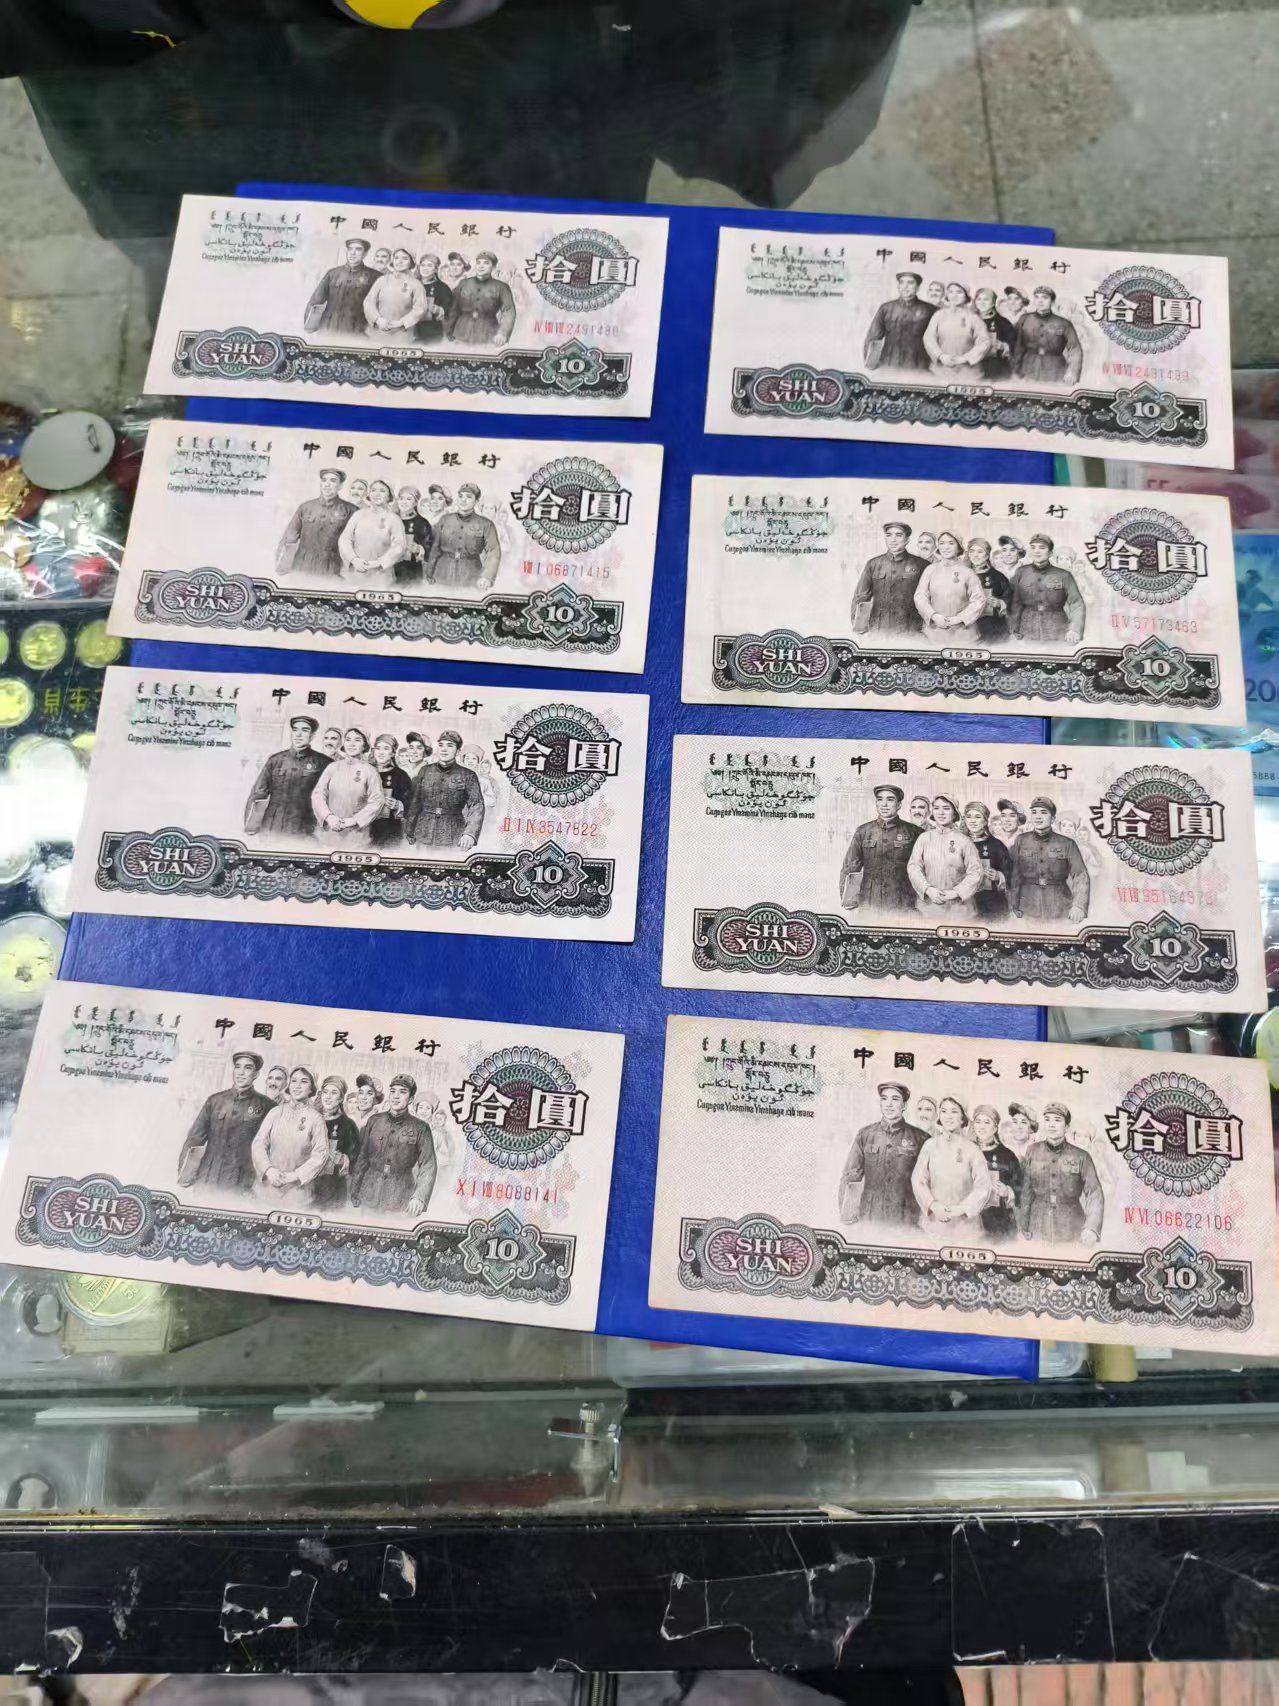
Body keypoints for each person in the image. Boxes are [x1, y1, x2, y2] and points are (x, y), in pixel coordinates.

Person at [177, 1049, 274, 1194]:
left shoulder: (267, 1106)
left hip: (241, 1184)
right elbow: (194, 1140)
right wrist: (184, 1175)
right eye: (238, 1067)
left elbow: (270, 1149)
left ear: (256, 1075)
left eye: (248, 1068)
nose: (241, 1073)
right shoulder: (215, 1100)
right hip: (207, 1179)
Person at [838, 1081, 930, 1229]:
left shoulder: (921, 1138)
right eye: (884, 1099)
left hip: (906, 1220)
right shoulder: (865, 1134)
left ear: (904, 1105)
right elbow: (850, 1177)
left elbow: (930, 1183)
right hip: (869, 1217)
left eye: (895, 1099)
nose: (889, 1104)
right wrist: (847, 1217)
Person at [350, 1073, 437, 1216]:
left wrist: (419, 1197)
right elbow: (362, 1158)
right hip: (369, 1194)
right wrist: (354, 1189)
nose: (396, 1096)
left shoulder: (421, 1128)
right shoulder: (374, 1121)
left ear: (411, 1099)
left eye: (402, 1092)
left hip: (400, 1197)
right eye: (393, 1091)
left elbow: (428, 1165)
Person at [1019, 1102, 1103, 1245]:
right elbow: (1026, 1191)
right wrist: (1023, 1223)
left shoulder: (1081, 1156)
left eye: (1057, 1120)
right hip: (1038, 1224)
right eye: (1047, 1120)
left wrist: (1091, 1228)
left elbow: (1095, 1193)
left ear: (1067, 1127)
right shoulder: (1032, 1151)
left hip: (1071, 1226)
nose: (1051, 1125)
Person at [911, 1096, 991, 1241]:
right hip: (933, 1224)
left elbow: (983, 1186)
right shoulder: (930, 1145)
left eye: (954, 1111)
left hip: (965, 1227)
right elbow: (918, 1180)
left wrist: (960, 1209)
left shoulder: (973, 1149)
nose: (948, 1116)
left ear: (962, 1118)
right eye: (944, 1111)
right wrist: (933, 1205)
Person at [251, 1066, 330, 1208]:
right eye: (294, 1081)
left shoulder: (316, 1118)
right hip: (268, 1188)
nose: (297, 1086)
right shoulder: (275, 1112)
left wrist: (295, 1175)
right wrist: (269, 1170)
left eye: (304, 1082)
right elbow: (259, 1144)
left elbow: (321, 1154)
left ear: (311, 1088)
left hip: (298, 1192)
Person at [838, 783, 922, 917]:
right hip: (869, 903)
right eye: (880, 799)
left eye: (890, 799)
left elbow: (924, 870)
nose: (884, 804)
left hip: (903, 904)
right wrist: (849, 900)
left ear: (899, 805)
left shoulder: (914, 832)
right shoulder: (863, 831)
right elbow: (849, 868)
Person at [243, 714, 331, 839]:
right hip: (272, 827)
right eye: (295, 730)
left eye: (304, 730)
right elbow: (257, 794)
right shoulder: (275, 760)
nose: (298, 734)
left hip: (305, 830)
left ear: (312, 736)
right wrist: (250, 826)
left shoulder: (324, 763)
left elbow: (331, 800)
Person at [1008, 797, 1090, 923]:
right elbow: (1014, 876)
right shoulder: (1021, 840)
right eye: (1034, 812)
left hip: (1059, 905)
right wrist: (1012, 906)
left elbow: (1080, 875)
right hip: (1027, 905)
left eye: (1043, 812)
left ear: (1052, 819)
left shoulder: (1067, 843)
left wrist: (1079, 905)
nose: (1038, 817)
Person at [907, 794, 984, 921]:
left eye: (946, 808)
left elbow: (976, 872)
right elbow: (913, 867)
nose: (941, 812)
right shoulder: (924, 838)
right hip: (927, 909)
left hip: (960, 911)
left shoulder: (964, 841)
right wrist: (928, 889)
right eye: (936, 808)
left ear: (954, 814)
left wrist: (955, 893)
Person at [405, 730, 485, 848]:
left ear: (458, 751)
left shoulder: (468, 775)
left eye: (450, 745)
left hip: (453, 833)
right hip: (423, 832)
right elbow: (415, 802)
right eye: (441, 745)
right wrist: (409, 829)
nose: (444, 749)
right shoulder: (425, 771)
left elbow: (477, 805)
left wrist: (470, 834)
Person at [848, 520, 929, 637]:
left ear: (907, 540)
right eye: (889, 535)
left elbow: (931, 599)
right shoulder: (873, 564)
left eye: (899, 535)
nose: (893, 539)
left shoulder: (922, 565)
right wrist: (859, 629)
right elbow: (860, 598)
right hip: (878, 630)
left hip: (911, 631)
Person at [311, 726, 384, 848]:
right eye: (348, 739)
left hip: (356, 836)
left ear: (365, 745)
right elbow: (318, 794)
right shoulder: (332, 767)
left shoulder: (370, 771)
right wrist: (328, 817)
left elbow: (377, 801)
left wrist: (354, 820)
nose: (352, 744)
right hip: (330, 832)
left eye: (357, 740)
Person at [276, 467, 355, 580]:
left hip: (332, 570)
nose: (327, 484)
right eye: (324, 480)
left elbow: (356, 545)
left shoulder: (351, 510)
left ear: (340, 486)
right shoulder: (305, 507)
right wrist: (282, 568)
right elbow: (289, 539)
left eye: (333, 481)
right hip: (302, 567)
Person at [1008, 533, 1085, 644]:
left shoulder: (1064, 575)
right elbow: (1015, 603)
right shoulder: (1021, 572)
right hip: (1027, 632)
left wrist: (1074, 630)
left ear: (1050, 553)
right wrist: (1013, 630)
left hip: (1057, 631)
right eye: (1033, 547)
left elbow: (1076, 603)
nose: (1037, 551)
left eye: (1042, 548)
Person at [913, 530, 986, 643]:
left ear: (958, 548)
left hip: (963, 634)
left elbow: (979, 600)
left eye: (951, 543)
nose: (945, 547)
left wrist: (959, 619)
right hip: (933, 633)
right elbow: (920, 596)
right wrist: (934, 616)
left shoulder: (968, 572)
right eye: (942, 543)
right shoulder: (930, 570)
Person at [426, 482, 500, 589]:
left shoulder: (486, 524)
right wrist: (429, 572)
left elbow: (493, 551)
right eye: (461, 496)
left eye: (469, 497)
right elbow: (435, 548)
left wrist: (487, 577)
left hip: (471, 574)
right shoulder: (445, 520)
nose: (463, 500)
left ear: (476, 501)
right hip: (442, 572)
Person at [304, 236, 380, 337]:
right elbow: (315, 301)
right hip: (328, 328)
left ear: (365, 253)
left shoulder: (375, 276)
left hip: (357, 331)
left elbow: (380, 307)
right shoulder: (332, 273)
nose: (353, 253)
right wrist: (309, 326)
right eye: (350, 249)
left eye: (358, 249)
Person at [862, 270, 935, 373]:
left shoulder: (930, 310)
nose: (905, 286)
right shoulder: (886, 308)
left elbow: (938, 340)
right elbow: (872, 337)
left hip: (919, 366)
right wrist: (870, 363)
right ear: (898, 286)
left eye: (910, 283)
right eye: (901, 283)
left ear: (918, 287)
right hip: (889, 363)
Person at [338, 478, 406, 587]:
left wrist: (379, 563)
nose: (377, 494)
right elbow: (345, 539)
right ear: (369, 494)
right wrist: (354, 559)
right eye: (373, 490)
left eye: (382, 491)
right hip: (355, 573)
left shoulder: (394, 519)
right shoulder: (358, 515)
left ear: (389, 496)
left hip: (380, 576)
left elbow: (399, 546)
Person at [1012, 285, 1083, 385]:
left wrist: (1072, 372)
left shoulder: (1064, 323)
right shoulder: (1024, 319)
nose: (1040, 301)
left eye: (1045, 298)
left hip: (1055, 370)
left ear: (1052, 302)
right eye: (1037, 297)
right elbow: (1016, 346)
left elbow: (1075, 349)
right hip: (1027, 369)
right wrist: (1014, 371)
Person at [922, 282, 992, 381]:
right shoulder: (938, 315)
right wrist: (941, 355)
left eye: (959, 292)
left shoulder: (974, 318)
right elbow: (929, 338)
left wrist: (965, 358)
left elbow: (984, 342)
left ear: (966, 297)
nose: (954, 295)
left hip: (968, 374)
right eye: (951, 292)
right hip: (940, 372)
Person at [445, 250, 516, 345]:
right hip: (460, 333)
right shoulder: (464, 283)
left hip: (487, 334)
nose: (481, 266)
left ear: (493, 267)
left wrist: (503, 333)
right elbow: (454, 309)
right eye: (478, 263)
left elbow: (509, 311)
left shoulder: (502, 287)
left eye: (486, 263)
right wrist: (448, 330)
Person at [312, 1074, 361, 1212]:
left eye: (334, 1093)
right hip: (306, 1185)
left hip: (332, 1187)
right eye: (325, 1092)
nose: (328, 1097)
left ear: (340, 1098)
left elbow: (357, 1156)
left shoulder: (348, 1125)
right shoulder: (310, 1119)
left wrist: (344, 1159)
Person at [973, 1105, 1022, 1242]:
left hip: (999, 1220)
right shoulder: (966, 1150)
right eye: (978, 1122)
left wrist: (1008, 1191)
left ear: (995, 1128)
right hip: (970, 1220)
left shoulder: (1007, 1155)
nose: (982, 1127)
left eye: (987, 1122)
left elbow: (1021, 1188)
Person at [363, 246, 428, 344]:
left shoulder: (416, 284)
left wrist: (401, 322)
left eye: (404, 258)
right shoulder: (382, 280)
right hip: (378, 332)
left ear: (411, 262)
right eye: (396, 258)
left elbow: (420, 308)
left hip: (402, 335)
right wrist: (378, 319)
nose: (399, 261)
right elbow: (369, 302)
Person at [962, 800, 1011, 921]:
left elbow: (1011, 871)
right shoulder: (958, 843)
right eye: (969, 817)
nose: (972, 821)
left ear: (985, 821)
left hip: (991, 904)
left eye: (977, 817)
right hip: (963, 904)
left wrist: (999, 876)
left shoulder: (997, 845)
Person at [370, 732, 412, 848]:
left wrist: (399, 805)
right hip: (364, 829)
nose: (381, 752)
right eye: (378, 748)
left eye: (386, 748)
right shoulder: (366, 771)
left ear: (393, 753)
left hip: (389, 831)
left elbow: (411, 803)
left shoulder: (401, 776)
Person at [968, 536, 1011, 644]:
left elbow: (1010, 597)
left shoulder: (998, 577)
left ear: (987, 555)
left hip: (991, 627)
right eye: (972, 551)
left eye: (980, 551)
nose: (975, 555)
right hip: (966, 626)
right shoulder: (961, 574)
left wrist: (1000, 603)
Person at [392, 484, 433, 587]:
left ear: (415, 502)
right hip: (387, 568)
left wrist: (419, 549)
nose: (404, 502)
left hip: (410, 570)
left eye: (409, 499)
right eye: (401, 498)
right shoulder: (390, 519)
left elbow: (430, 546)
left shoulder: (422, 523)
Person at [973, 286, 1016, 382]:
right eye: (979, 299)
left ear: (993, 302)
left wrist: (1005, 345)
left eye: (986, 299)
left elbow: (1013, 342)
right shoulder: (969, 319)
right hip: (971, 366)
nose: (982, 302)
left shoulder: (1003, 322)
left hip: (994, 367)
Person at [410, 252, 454, 344]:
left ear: (436, 269)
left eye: (429, 265)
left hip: (431, 332)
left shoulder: (443, 287)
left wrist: (438, 309)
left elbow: (449, 308)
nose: (425, 268)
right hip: (409, 330)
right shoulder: (411, 284)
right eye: (423, 265)